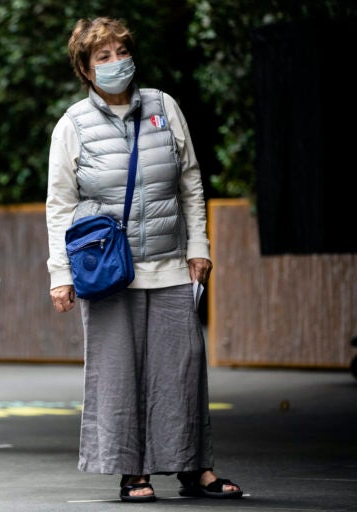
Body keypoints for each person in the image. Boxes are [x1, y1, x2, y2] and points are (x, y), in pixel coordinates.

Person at [46, 17, 244, 502]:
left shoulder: (164, 107)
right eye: (103, 57)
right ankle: (132, 471)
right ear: (85, 69)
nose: (116, 63)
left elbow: (190, 181)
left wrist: (199, 246)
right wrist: (60, 273)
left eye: (121, 52)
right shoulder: (73, 124)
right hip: (108, 271)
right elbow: (60, 205)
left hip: (171, 263)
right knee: (117, 376)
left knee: (182, 371)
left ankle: (195, 468)